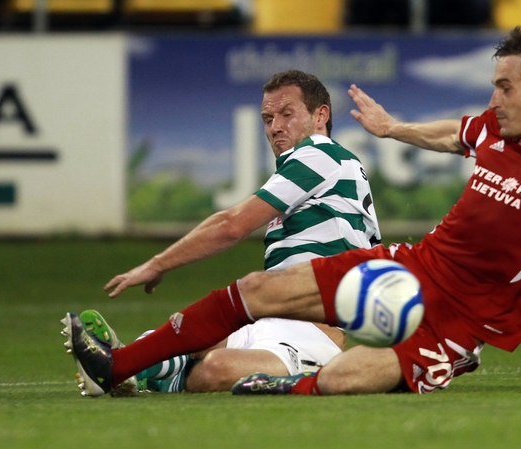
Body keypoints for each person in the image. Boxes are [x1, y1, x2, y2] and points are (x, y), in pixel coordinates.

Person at [62, 26, 521, 397]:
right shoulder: (495, 130)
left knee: (344, 380)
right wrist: (394, 128)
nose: (493, 98)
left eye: (505, 86)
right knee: (258, 288)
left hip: (467, 318)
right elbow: (453, 132)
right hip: (409, 268)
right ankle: (119, 364)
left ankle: (291, 386)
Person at [68, 69, 381, 395]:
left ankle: (138, 372)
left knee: (216, 368)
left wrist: (158, 264)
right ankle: (123, 364)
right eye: (267, 118)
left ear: (321, 116)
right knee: (191, 338)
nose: (275, 127)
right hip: (268, 316)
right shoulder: (325, 171)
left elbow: (232, 225)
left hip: (312, 335)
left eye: (287, 114)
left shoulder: (320, 154)